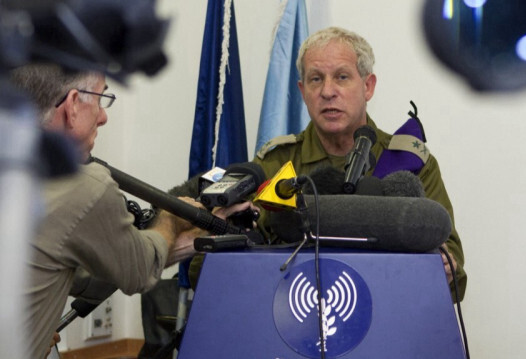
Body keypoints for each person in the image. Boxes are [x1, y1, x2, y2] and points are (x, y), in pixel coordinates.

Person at [191, 26, 467, 301]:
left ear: (368, 86)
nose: (327, 91)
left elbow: (451, 262)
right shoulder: (277, 163)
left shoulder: (410, 163)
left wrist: (445, 265)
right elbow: (221, 264)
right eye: (315, 79)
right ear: (302, 90)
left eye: (342, 77)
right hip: (290, 311)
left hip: (389, 310)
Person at [11, 63, 254, 359]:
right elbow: (138, 270)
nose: (103, 117)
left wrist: (190, 242)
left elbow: (83, 275)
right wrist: (169, 217)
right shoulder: (81, 184)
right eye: (101, 100)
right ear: (73, 104)